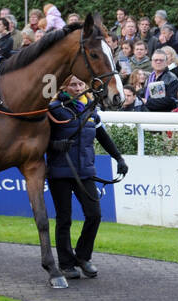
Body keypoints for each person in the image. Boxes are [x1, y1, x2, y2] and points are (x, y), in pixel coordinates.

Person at [46, 75, 127, 280]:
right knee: (64, 219)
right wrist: (54, 145)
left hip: (85, 171)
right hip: (60, 172)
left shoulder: (91, 108)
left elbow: (103, 136)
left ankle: (82, 257)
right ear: (64, 87)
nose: (78, 87)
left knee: (95, 215)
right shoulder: (54, 108)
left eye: (81, 84)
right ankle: (65, 264)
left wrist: (119, 158)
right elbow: (40, 139)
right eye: (73, 84)